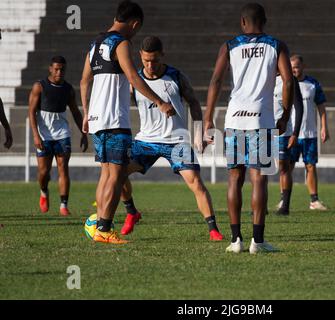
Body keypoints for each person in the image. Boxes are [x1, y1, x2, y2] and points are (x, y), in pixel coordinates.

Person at [80, 0, 175, 244]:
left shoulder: (94, 43)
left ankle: (98, 225)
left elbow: (83, 81)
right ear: (134, 24)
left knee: (106, 173)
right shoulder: (121, 43)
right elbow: (133, 76)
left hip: (97, 119)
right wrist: (160, 102)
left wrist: (86, 113)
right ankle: (104, 228)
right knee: (116, 174)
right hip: (114, 119)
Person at [204, 3, 294, 254]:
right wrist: (285, 115)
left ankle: (235, 241)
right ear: (265, 21)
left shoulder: (230, 45)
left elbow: (216, 80)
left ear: (243, 22)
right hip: (261, 121)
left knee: (234, 178)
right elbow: (288, 81)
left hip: (234, 120)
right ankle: (258, 241)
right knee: (259, 180)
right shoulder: (276, 45)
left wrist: (208, 118)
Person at [119, 36, 223, 241]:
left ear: (162, 55)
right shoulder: (135, 81)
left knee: (196, 183)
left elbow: (193, 103)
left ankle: (213, 230)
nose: (150, 65)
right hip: (146, 141)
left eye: (155, 60)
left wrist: (199, 132)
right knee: (117, 173)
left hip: (177, 141)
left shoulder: (176, 76)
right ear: (140, 56)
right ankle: (132, 212)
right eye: (146, 60)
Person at [28, 56, 88, 216]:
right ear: (50, 68)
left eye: (62, 69)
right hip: (43, 135)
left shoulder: (68, 89)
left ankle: (63, 205)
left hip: (62, 134)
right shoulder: (39, 87)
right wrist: (35, 135)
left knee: (63, 169)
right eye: (56, 69)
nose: (59, 72)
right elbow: (31, 112)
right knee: (43, 172)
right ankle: (43, 191)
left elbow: (75, 111)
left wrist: (84, 133)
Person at [276, 55, 330, 214]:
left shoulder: (312, 84)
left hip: (309, 133)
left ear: (303, 66)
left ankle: (314, 200)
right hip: (289, 133)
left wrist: (324, 127)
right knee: (286, 167)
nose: (294, 69)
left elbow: (321, 106)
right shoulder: (282, 83)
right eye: (291, 66)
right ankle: (283, 200)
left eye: (297, 66)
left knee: (311, 166)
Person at [273, 66, 304, 215]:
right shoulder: (262, 78)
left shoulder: (290, 80)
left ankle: (285, 205)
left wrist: (295, 133)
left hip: (283, 131)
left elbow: (299, 107)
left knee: (283, 167)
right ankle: (260, 206)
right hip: (262, 129)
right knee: (261, 170)